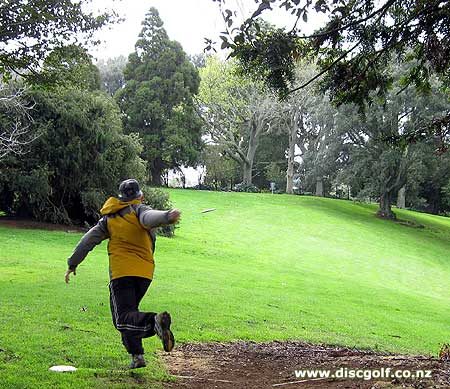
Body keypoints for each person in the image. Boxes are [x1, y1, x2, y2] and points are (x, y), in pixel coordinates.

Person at [65, 179, 180, 369]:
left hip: (122, 274)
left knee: (123, 319)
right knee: (130, 313)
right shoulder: (139, 210)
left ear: (120, 198)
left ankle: (154, 322)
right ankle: (137, 357)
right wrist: (167, 216)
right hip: (145, 274)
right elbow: (151, 217)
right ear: (140, 196)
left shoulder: (110, 219)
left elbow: (88, 240)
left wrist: (72, 263)